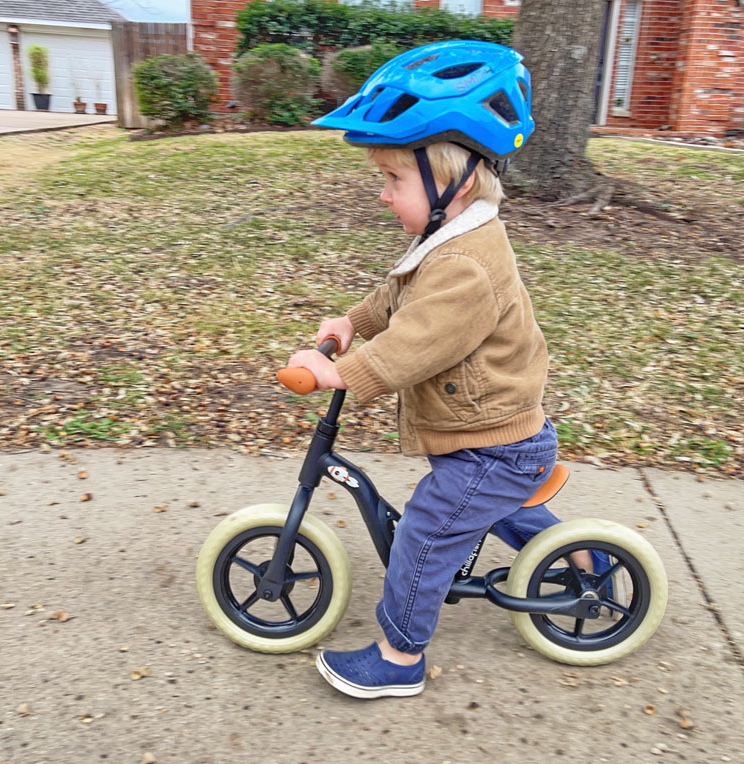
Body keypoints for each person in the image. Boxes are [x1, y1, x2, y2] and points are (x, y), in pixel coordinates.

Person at [286, 40, 592, 699]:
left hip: (497, 446)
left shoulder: (466, 265)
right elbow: (400, 296)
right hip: (495, 433)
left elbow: (417, 342)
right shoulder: (446, 238)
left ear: (450, 182)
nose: (382, 193)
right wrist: (353, 322)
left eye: (393, 179)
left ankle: (400, 658)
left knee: (428, 529)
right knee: (483, 509)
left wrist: (343, 372)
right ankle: (580, 558)